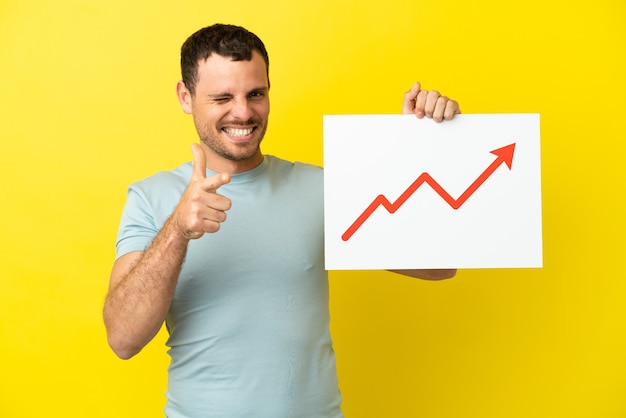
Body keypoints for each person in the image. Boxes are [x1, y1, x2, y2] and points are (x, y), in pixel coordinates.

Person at [103, 23, 460, 418]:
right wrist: (177, 231)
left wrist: (422, 148)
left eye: (256, 94)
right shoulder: (151, 198)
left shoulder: (320, 188)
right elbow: (123, 339)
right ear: (185, 97)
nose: (243, 111)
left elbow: (439, 266)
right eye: (222, 97)